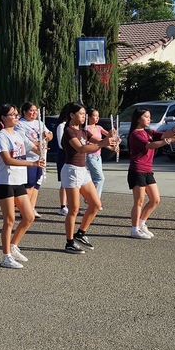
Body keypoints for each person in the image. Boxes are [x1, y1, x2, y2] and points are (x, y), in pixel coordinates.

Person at [59, 102, 115, 255]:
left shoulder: (84, 131)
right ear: (72, 115)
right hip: (71, 170)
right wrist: (103, 143)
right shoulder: (69, 132)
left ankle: (80, 234)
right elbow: (81, 148)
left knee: (96, 204)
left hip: (82, 171)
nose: (84, 117)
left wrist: (111, 138)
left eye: (85, 114)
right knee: (74, 209)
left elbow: (99, 141)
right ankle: (69, 242)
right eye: (81, 114)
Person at [0, 104, 40, 268]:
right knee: (9, 220)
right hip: (5, 181)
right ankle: (6, 257)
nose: (16, 116)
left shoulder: (20, 135)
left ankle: (13, 246)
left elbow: (36, 148)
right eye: (12, 114)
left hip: (18, 180)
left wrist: (44, 142)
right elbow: (7, 160)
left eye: (17, 114)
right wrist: (32, 163)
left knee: (29, 216)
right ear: (3, 118)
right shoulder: (1, 136)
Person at [126, 107, 175, 240]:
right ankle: (134, 229)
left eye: (150, 117)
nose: (149, 119)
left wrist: (174, 131)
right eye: (146, 116)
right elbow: (150, 145)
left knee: (155, 199)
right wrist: (170, 141)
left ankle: (141, 223)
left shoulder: (148, 132)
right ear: (138, 119)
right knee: (139, 201)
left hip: (148, 170)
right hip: (137, 170)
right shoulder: (135, 135)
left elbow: (162, 135)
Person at [16, 102, 52, 214]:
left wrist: (48, 136)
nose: (34, 113)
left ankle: (31, 208)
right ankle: (24, 209)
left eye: (35, 110)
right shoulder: (20, 124)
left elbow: (50, 135)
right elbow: (22, 139)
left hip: (40, 157)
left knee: (36, 184)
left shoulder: (39, 122)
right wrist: (38, 143)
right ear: (24, 112)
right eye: (31, 110)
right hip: (28, 158)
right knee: (29, 184)